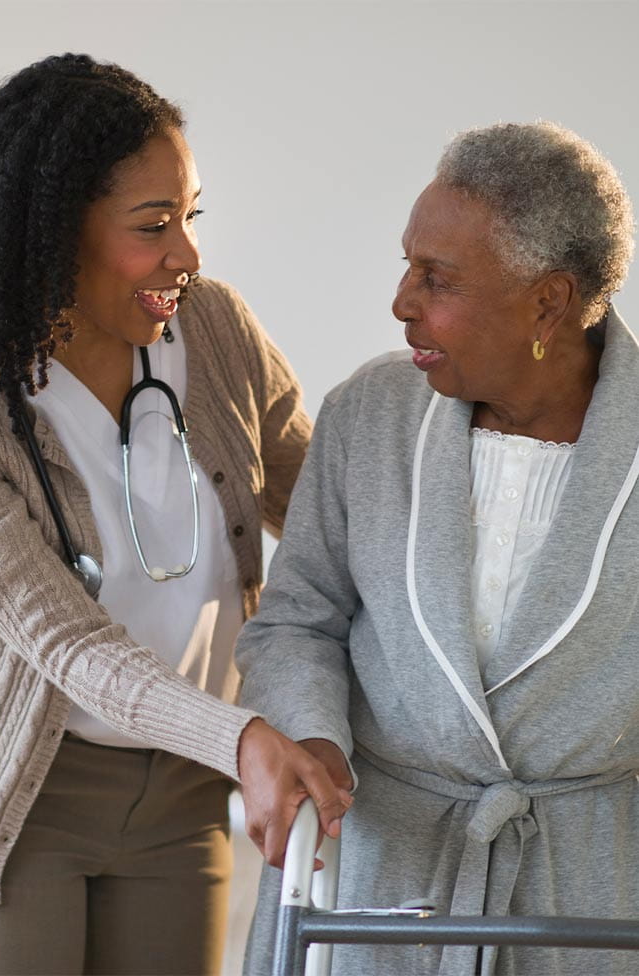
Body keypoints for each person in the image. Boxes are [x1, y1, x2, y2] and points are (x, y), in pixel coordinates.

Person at [0, 53, 351, 976]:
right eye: (154, 226)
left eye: (190, 217)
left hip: (184, 798)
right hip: (16, 799)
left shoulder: (216, 332)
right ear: (50, 235)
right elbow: (64, 642)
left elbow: (331, 521)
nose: (186, 254)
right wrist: (243, 737)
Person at [236, 120, 639, 975]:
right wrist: (313, 737)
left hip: (591, 893)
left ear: (548, 301)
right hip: (375, 867)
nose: (401, 300)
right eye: (407, 263)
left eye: (437, 278)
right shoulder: (369, 414)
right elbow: (297, 621)